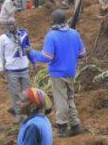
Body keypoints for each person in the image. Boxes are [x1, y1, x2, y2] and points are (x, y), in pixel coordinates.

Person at [30, 9, 86, 137]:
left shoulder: (52, 35)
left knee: (61, 99)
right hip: (71, 71)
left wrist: (32, 53)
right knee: (69, 97)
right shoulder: (74, 33)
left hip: (58, 73)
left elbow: (46, 57)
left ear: (53, 21)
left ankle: (62, 126)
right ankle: (75, 124)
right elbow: (82, 54)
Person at [0, 19, 34, 124]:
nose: (11, 26)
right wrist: (0, 67)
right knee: (14, 93)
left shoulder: (23, 35)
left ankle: (29, 113)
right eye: (9, 24)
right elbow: (0, 54)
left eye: (13, 23)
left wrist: (33, 61)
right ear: (6, 26)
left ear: (17, 24)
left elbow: (29, 48)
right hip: (11, 69)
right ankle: (18, 114)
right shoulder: (3, 38)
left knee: (27, 92)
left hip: (24, 67)